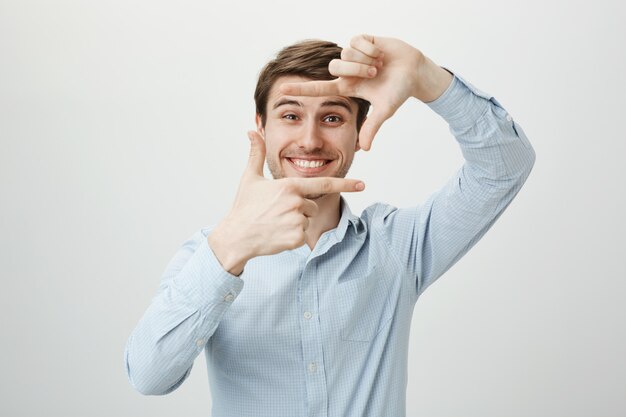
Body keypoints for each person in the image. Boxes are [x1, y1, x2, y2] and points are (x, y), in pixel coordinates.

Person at [124, 35, 535, 417]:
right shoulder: (209, 254)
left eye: (333, 118)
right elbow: (149, 376)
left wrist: (427, 77)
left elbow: (504, 166)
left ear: (359, 132)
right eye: (290, 115)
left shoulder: (397, 246)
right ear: (261, 127)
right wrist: (230, 249)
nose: (309, 140)